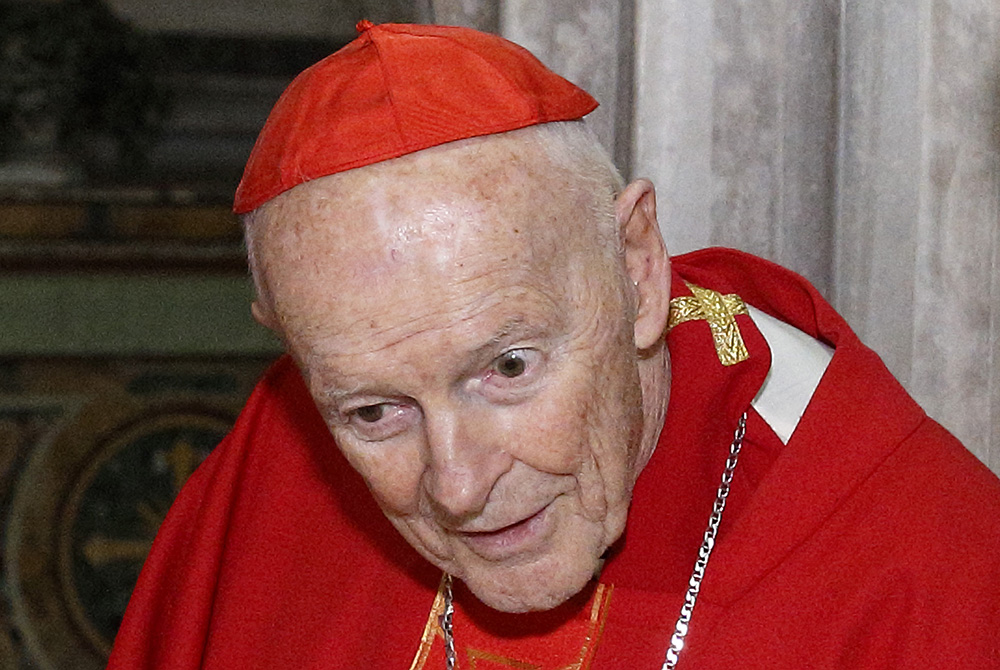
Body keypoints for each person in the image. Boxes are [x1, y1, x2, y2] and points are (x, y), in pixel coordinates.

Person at [107, 22, 1000, 670]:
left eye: (507, 368)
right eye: (376, 411)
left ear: (639, 267)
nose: (459, 487)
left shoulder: (936, 576)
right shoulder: (274, 463)